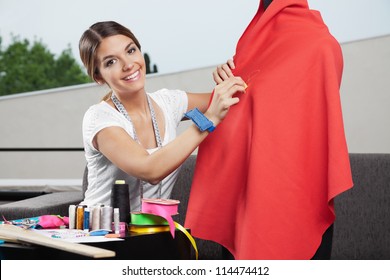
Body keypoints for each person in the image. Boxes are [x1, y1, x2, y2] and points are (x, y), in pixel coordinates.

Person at [185, 0, 354, 260]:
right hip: (244, 197)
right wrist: (227, 85)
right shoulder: (252, 44)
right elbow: (243, 109)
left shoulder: (320, 46)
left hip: (294, 199)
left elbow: (309, 128)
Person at [78, 21, 246, 211]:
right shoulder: (99, 117)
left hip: (153, 233)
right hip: (100, 235)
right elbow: (150, 169)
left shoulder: (168, 102)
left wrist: (231, 75)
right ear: (99, 77)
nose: (128, 64)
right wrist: (208, 120)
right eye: (111, 62)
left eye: (131, 51)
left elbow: (235, 99)